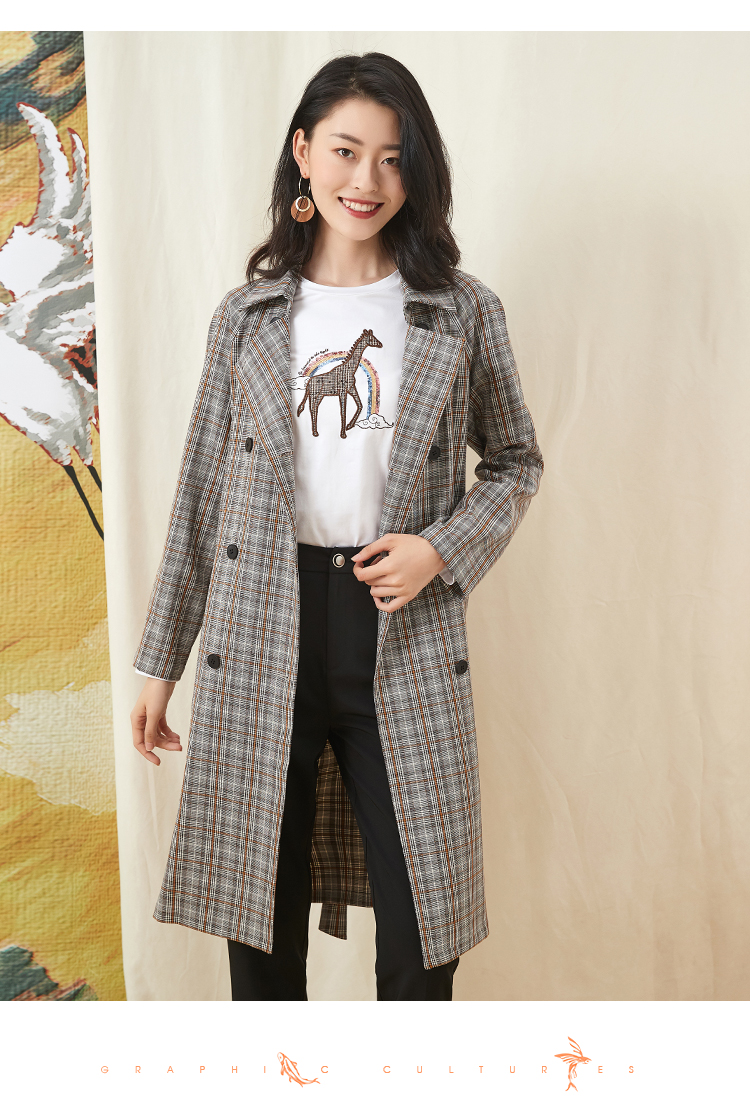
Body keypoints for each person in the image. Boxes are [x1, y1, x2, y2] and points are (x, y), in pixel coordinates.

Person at [130, 52, 543, 1002]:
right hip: (259, 624)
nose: (367, 180)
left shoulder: (461, 311)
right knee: (259, 929)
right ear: (303, 152)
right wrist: (160, 662)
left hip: (403, 627)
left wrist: (440, 549)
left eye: (394, 158)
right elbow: (201, 495)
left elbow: (516, 461)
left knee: (422, 938)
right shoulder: (247, 318)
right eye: (347, 151)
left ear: (418, 170)